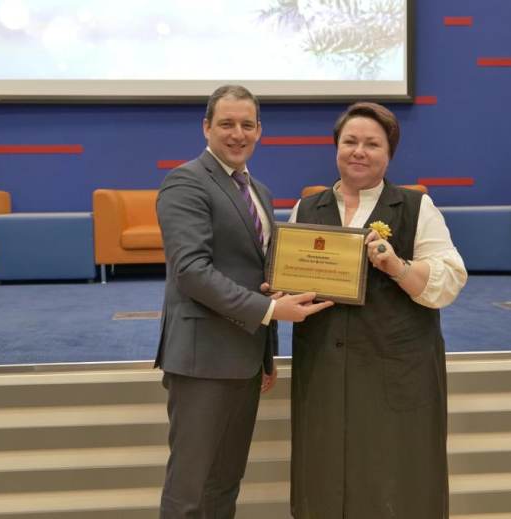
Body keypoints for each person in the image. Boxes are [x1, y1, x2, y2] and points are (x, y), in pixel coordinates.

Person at [155, 84, 333, 519]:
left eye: (247, 125)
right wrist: (271, 311)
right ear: (206, 128)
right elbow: (191, 271)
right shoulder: (185, 182)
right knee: (189, 490)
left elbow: (258, 276)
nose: (238, 134)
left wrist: (266, 351)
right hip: (201, 361)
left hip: (245, 358)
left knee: (224, 483)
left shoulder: (259, 191)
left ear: (259, 131)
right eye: (227, 124)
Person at [288, 102, 467, 518]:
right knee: (324, 476)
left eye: (372, 144)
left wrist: (398, 267)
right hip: (324, 368)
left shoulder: (417, 207)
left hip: (395, 369)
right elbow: (290, 275)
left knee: (396, 477)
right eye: (350, 141)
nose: (359, 151)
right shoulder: (306, 209)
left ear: (389, 153)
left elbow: (449, 280)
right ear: (336, 147)